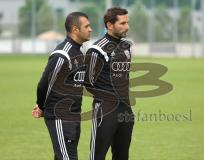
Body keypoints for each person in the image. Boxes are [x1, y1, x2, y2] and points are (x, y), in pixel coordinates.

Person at [32, 12, 92, 160]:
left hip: (73, 116)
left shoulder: (78, 51)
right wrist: (41, 106)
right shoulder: (62, 54)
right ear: (75, 29)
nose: (90, 29)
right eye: (87, 26)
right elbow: (44, 84)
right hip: (60, 116)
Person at [84, 7, 134, 160]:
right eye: (122, 23)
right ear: (109, 25)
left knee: (122, 156)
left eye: (127, 22)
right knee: (97, 156)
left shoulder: (127, 46)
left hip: (125, 110)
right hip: (105, 111)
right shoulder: (96, 50)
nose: (127, 27)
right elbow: (88, 82)